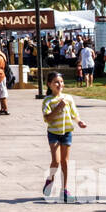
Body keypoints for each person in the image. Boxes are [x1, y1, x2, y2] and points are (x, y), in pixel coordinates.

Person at [41, 74, 86, 202]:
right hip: (54, 133)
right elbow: (47, 118)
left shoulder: (68, 98)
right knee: (56, 161)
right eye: (56, 82)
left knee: (65, 162)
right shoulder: (47, 101)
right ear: (49, 84)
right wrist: (58, 108)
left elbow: (74, 114)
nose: (59, 84)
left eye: (61, 81)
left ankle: (64, 190)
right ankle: (50, 179)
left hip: (66, 132)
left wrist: (79, 122)